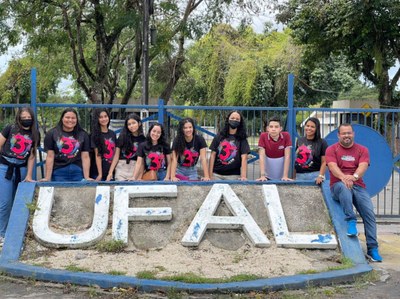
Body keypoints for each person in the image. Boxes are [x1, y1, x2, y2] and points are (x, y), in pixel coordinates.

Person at [326, 123, 382, 262]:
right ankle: (351, 220)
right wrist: (344, 178)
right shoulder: (331, 149)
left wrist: (354, 176)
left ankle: (372, 249)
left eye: (349, 133)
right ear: (338, 135)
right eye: (343, 133)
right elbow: (332, 166)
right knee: (344, 188)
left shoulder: (362, 150)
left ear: (353, 134)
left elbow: (363, 166)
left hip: (358, 185)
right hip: (338, 186)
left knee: (369, 214)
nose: (346, 135)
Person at [0, 107, 39, 245]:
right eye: (24, 117)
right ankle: (2, 234)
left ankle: (16, 233)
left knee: (19, 202)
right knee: (5, 202)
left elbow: (32, 155)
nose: (26, 119)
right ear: (18, 117)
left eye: (29, 117)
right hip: (5, 167)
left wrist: (28, 175)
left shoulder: (34, 133)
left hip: (21, 168)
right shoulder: (10, 128)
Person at [42, 108, 92, 181]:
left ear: (77, 120)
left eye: (73, 118)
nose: (70, 120)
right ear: (62, 118)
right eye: (67, 117)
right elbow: (50, 156)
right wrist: (47, 178)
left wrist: (87, 177)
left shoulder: (83, 134)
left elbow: (85, 157)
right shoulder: (52, 133)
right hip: (58, 172)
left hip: (77, 171)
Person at [208, 110, 250, 180]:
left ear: (240, 122)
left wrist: (243, 176)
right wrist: (210, 175)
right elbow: (212, 155)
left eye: (237, 119)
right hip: (216, 174)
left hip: (234, 176)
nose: (234, 120)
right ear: (228, 120)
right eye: (232, 118)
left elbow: (244, 158)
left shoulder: (242, 139)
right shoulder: (219, 136)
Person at [106, 113, 145, 181]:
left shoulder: (143, 140)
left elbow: (141, 161)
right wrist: (110, 172)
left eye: (133, 123)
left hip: (135, 168)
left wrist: (140, 176)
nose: (131, 126)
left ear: (139, 123)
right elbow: (116, 156)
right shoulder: (122, 137)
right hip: (122, 167)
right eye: (129, 124)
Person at [257, 115, 292, 181]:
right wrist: (262, 175)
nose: (273, 129)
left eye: (276, 127)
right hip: (267, 173)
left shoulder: (286, 135)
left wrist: (285, 176)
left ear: (280, 128)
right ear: (267, 128)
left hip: (282, 174)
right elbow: (261, 156)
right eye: (271, 127)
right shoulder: (263, 136)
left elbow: (287, 157)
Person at [294, 117, 328, 184]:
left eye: (312, 127)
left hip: (315, 176)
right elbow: (296, 159)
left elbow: (324, 162)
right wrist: (294, 176)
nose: (309, 128)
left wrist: (320, 176)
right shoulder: (300, 140)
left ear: (317, 129)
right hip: (299, 176)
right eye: (307, 126)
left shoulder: (322, 142)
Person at [90, 109, 116, 181]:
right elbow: (97, 155)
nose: (104, 119)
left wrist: (111, 172)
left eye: (105, 116)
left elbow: (115, 154)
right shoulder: (94, 135)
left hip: (110, 172)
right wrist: (100, 174)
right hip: (97, 173)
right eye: (100, 117)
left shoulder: (112, 134)